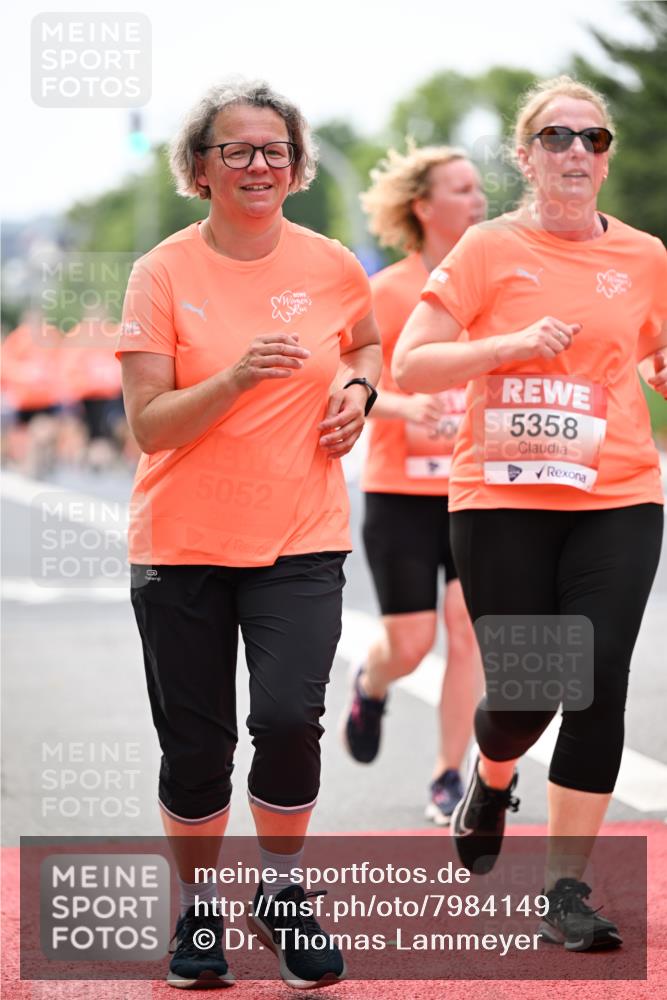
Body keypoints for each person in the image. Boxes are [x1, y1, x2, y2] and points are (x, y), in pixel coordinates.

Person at [117, 78, 381, 989]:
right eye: (237, 149)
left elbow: (365, 342)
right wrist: (233, 379)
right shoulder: (161, 273)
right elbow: (149, 426)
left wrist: (358, 391)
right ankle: (198, 909)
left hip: (300, 536)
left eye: (276, 150)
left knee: (287, 719)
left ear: (297, 166)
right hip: (180, 545)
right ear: (201, 167)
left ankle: (282, 891)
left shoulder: (331, 263)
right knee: (197, 752)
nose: (259, 164)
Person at [393, 75, 666, 951]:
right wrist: (509, 345)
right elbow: (411, 364)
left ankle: (564, 890)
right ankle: (491, 772)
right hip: (503, 497)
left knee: (597, 679)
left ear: (605, 159)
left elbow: (653, 351)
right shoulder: (485, 248)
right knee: (528, 694)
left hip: (616, 494)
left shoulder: (645, 256)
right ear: (525, 156)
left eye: (592, 138)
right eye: (556, 137)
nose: (576, 151)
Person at [341, 144, 484, 826]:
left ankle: (448, 774)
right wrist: (403, 408)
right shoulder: (387, 291)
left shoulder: (495, 284)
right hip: (400, 491)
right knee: (411, 644)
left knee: (467, 631)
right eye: (461, 189)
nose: (478, 200)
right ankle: (371, 683)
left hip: (476, 490)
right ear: (422, 206)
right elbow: (344, 380)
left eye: (479, 187)